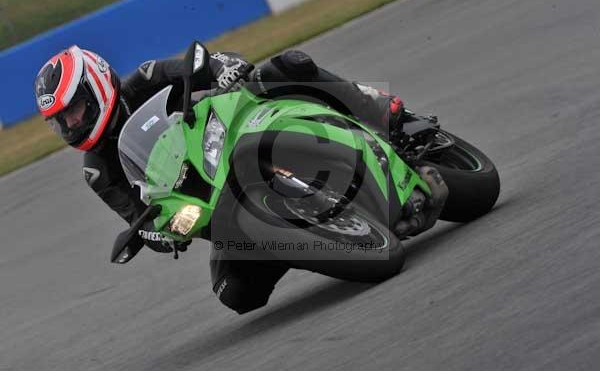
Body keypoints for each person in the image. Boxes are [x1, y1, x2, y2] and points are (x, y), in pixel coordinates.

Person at [34, 44, 443, 314]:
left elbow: (200, 64)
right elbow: (136, 214)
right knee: (235, 293)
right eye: (61, 122)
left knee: (286, 67)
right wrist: (155, 235)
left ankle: (389, 115)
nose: (71, 125)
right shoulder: (97, 170)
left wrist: (223, 66)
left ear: (98, 84)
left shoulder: (144, 78)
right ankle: (315, 239)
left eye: (75, 110)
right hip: (215, 209)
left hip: (235, 136)